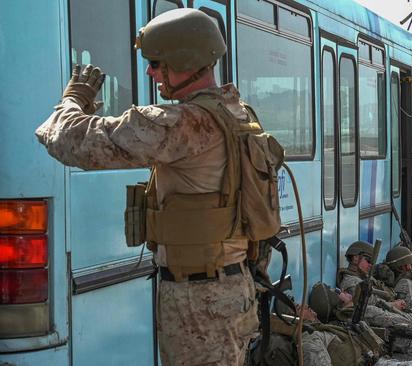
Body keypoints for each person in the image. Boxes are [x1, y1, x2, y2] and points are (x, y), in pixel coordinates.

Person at [35, 9, 259, 365]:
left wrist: (72, 101)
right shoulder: (236, 113)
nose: (150, 72)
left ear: (185, 59)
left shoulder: (184, 124)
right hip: (233, 288)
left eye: (156, 62)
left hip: (198, 301)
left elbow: (73, 142)